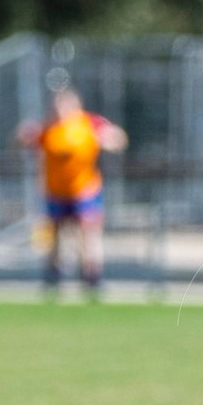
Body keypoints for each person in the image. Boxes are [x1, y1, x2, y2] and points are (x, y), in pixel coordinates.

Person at [18, 86, 128, 299]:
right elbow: (24, 141)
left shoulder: (90, 124)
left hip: (84, 191)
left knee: (89, 234)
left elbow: (119, 137)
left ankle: (92, 278)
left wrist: (112, 140)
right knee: (56, 236)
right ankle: (53, 278)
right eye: (59, 105)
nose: (62, 110)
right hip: (56, 192)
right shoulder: (48, 128)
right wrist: (22, 136)